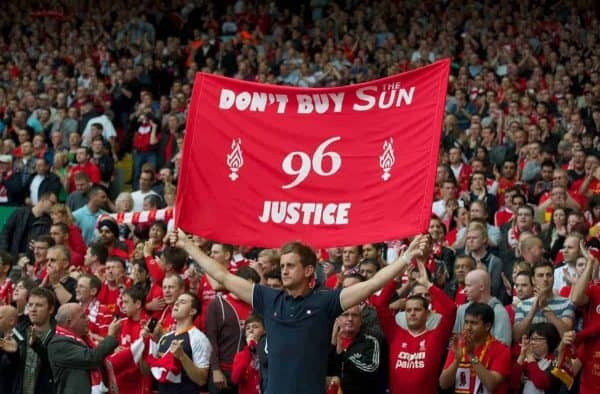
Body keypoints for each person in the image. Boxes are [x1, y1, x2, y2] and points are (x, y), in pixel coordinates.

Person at [170, 229, 428, 394]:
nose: (283, 270)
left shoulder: (326, 302)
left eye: (290, 266)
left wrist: (406, 258)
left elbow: (372, 284)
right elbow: (223, 276)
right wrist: (187, 246)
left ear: (308, 271)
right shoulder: (268, 298)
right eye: (282, 265)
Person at [373, 261, 456, 394]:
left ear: (427, 313)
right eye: (408, 310)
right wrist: (395, 279)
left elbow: (451, 309)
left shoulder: (436, 336)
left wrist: (428, 285)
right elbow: (379, 304)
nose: (412, 313)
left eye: (417, 309)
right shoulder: (395, 334)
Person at [206, 267, 260, 394]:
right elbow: (211, 340)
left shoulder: (255, 306)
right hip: (223, 371)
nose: (252, 292)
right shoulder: (217, 304)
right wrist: (215, 370)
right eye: (251, 287)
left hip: (247, 372)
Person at [145, 292, 212, 394]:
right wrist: (144, 342)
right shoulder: (165, 337)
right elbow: (149, 371)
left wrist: (182, 357)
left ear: (193, 311)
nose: (176, 304)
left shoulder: (199, 338)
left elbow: (202, 380)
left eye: (182, 302)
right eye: (177, 301)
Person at [47, 303, 121, 394]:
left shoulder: (85, 339)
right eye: (83, 317)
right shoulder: (58, 344)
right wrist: (110, 336)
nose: (88, 319)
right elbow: (91, 358)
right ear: (69, 322)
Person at [440, 303, 511, 394]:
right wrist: (456, 361)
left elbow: (491, 385)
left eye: (474, 323)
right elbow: (443, 384)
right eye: (466, 322)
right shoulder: (458, 346)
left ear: (487, 326)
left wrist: (471, 355)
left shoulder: (501, 350)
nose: (468, 327)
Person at [327, 304, 382, 394]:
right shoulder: (326, 341)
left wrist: (342, 355)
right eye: (345, 315)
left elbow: (370, 369)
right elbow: (320, 370)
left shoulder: (370, 341)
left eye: (354, 315)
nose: (350, 319)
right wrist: (333, 344)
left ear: (360, 321)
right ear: (337, 320)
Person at [513, 260, 575, 339]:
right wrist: (533, 310)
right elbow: (516, 336)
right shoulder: (522, 305)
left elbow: (566, 334)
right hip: (530, 350)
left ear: (554, 277)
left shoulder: (566, 303)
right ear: (533, 280)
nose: (545, 279)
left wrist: (546, 309)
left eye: (549, 275)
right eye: (540, 275)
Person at [453, 269, 512, 346]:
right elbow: (455, 340)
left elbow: (504, 345)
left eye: (468, 285)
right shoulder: (462, 310)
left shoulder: (499, 312)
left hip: (488, 357)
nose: (464, 290)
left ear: (481, 287)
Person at [18, 287, 57, 394]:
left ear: (51, 309)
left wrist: (36, 345)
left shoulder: (58, 336)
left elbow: (54, 363)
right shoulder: (19, 332)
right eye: (30, 305)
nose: (33, 309)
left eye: (39, 305)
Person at [0, 191, 56, 258]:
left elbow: (48, 242)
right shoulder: (19, 213)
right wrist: (4, 253)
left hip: (32, 259)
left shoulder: (49, 222)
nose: (54, 206)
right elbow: (5, 233)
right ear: (43, 200)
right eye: (52, 203)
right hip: (12, 257)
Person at [231, 313, 266, 394]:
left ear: (264, 330)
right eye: (247, 328)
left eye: (255, 327)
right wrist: (249, 349)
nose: (251, 330)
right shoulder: (240, 355)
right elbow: (235, 378)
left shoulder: (269, 352)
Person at [0, 305, 20, 394]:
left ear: (11, 321)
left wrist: (12, 353)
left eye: (0, 317)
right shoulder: (1, 336)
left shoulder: (21, 338)